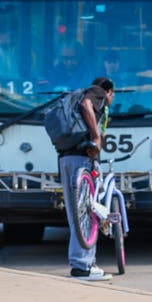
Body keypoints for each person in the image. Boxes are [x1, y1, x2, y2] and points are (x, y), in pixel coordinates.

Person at [58, 77, 115, 281]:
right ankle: (82, 266)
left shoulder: (77, 96)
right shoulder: (96, 92)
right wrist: (96, 136)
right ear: (109, 91)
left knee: (78, 214)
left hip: (66, 158)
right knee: (86, 215)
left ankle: (85, 263)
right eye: (112, 95)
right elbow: (86, 105)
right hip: (82, 159)